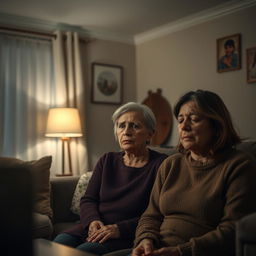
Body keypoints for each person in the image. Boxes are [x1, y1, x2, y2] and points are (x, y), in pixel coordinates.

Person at [132, 90, 256, 256]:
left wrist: (180, 252)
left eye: (195, 119)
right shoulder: (171, 164)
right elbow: (151, 215)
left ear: (216, 125)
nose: (184, 126)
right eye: (181, 120)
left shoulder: (239, 165)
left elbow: (232, 230)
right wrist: (145, 240)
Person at [54, 102, 167, 254]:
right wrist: (92, 221)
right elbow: (88, 199)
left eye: (135, 126)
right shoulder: (107, 160)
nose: (126, 132)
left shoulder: (162, 164)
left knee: (83, 252)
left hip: (124, 234)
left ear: (150, 134)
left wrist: (119, 229)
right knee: (57, 245)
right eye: (121, 126)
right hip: (93, 227)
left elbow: (159, 213)